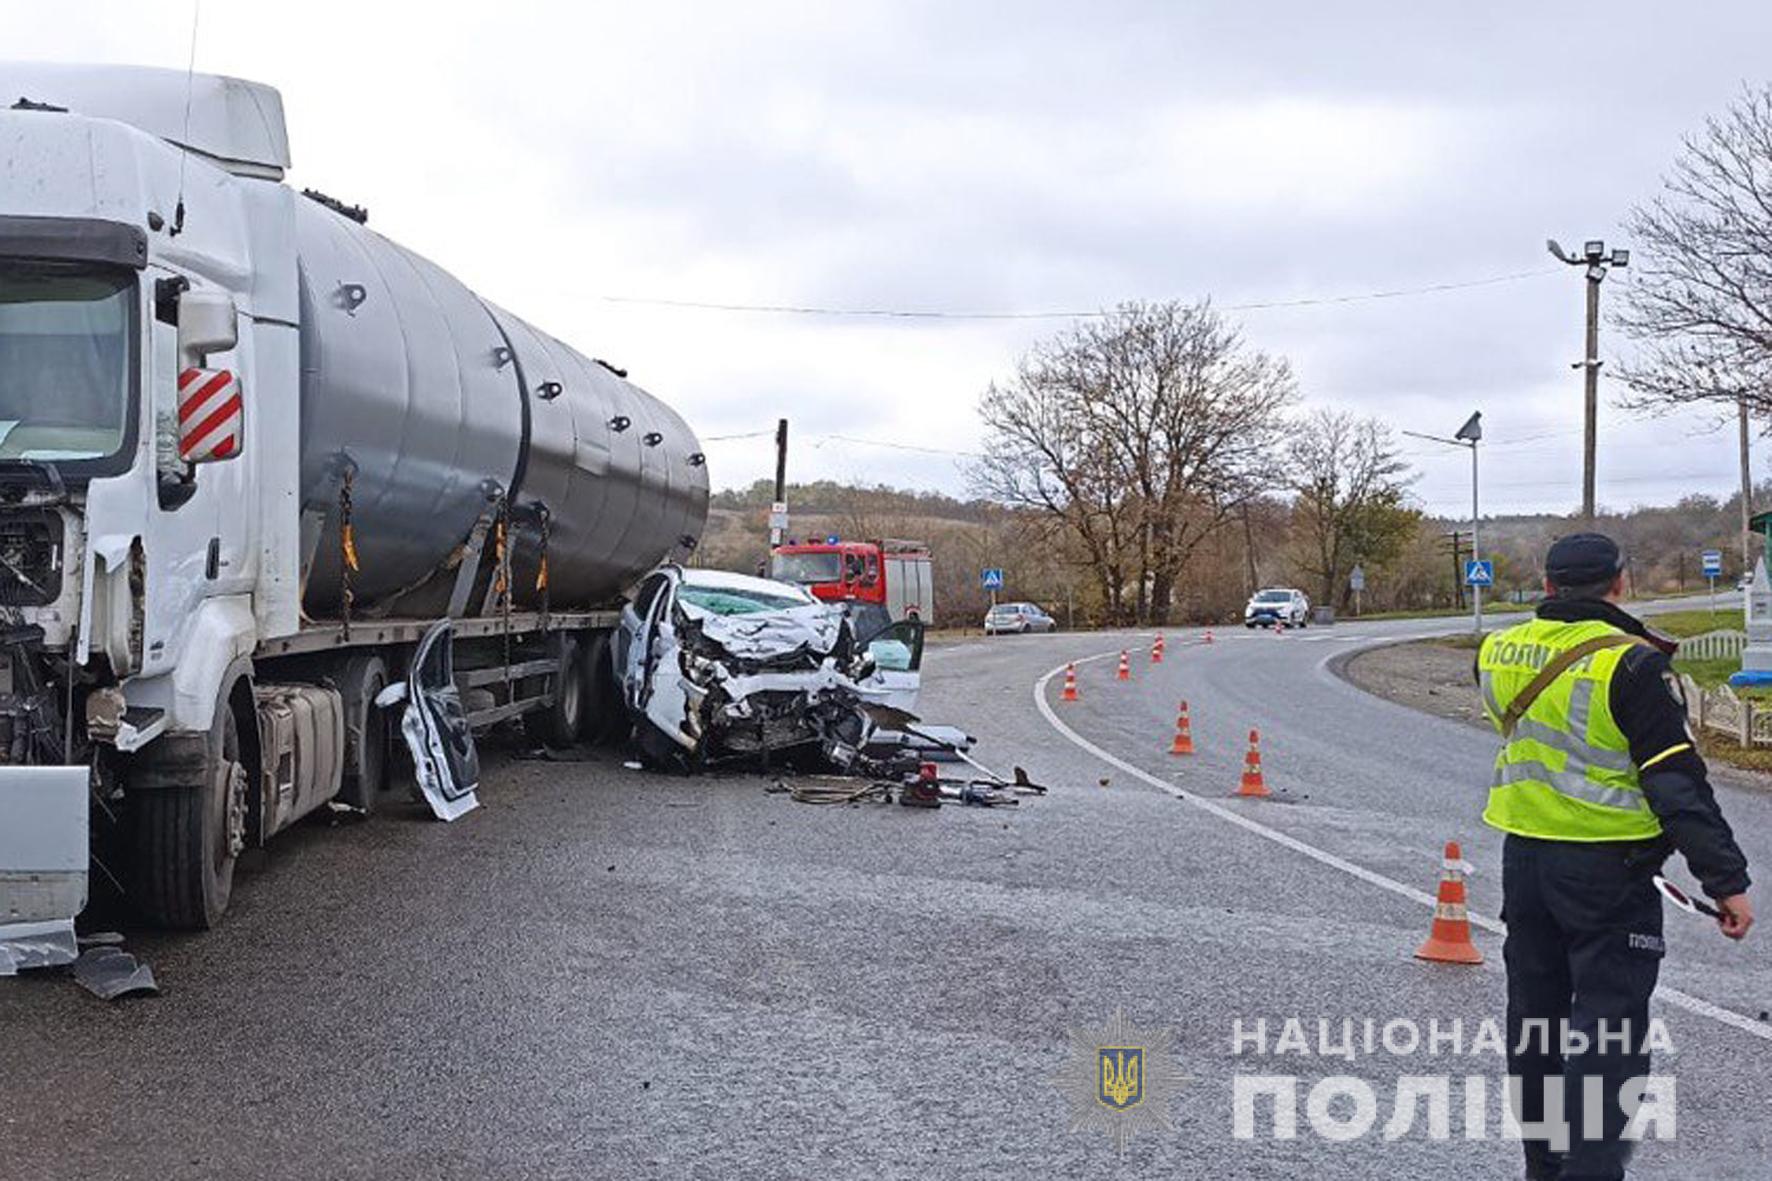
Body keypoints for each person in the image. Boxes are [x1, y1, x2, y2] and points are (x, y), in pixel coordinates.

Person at [1476, 532, 1752, 1181]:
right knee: (1609, 1036)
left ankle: (1544, 1166)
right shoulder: (1631, 665)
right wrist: (1727, 879)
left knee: (1536, 1026)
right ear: (1620, 584)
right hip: (1607, 871)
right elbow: (1676, 785)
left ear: (1547, 586)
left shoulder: (1499, 650)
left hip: (1526, 863)